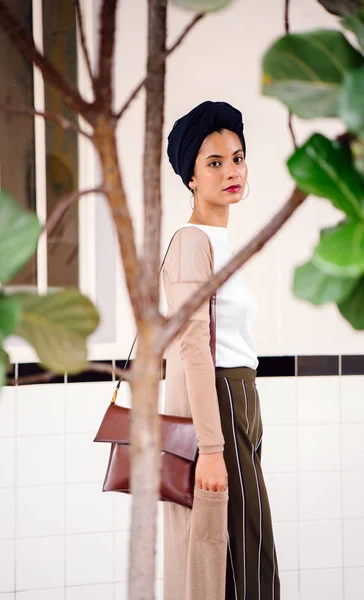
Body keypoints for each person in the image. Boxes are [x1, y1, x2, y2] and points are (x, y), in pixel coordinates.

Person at [162, 101, 280, 600]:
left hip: (239, 403)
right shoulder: (193, 241)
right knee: (238, 561)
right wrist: (211, 450)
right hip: (220, 407)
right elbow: (193, 349)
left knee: (247, 551)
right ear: (191, 176)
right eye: (214, 162)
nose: (231, 170)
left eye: (237, 158)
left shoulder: (220, 240)